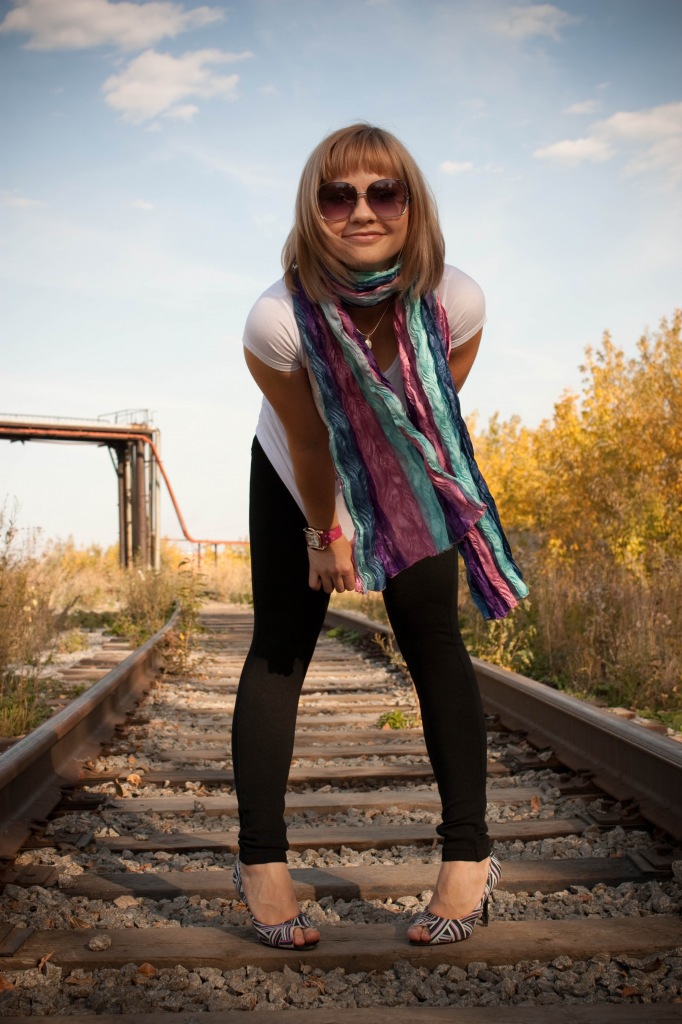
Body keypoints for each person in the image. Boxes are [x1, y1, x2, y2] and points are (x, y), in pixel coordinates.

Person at [232, 123, 527, 950]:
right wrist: (326, 532)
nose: (362, 210)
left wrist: (390, 513)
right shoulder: (276, 320)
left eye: (382, 191)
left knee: (433, 640)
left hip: (404, 468)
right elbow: (313, 440)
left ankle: (469, 860)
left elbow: (423, 419)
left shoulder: (456, 301)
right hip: (298, 471)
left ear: (411, 204)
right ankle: (260, 866)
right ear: (313, 210)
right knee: (280, 648)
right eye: (338, 195)